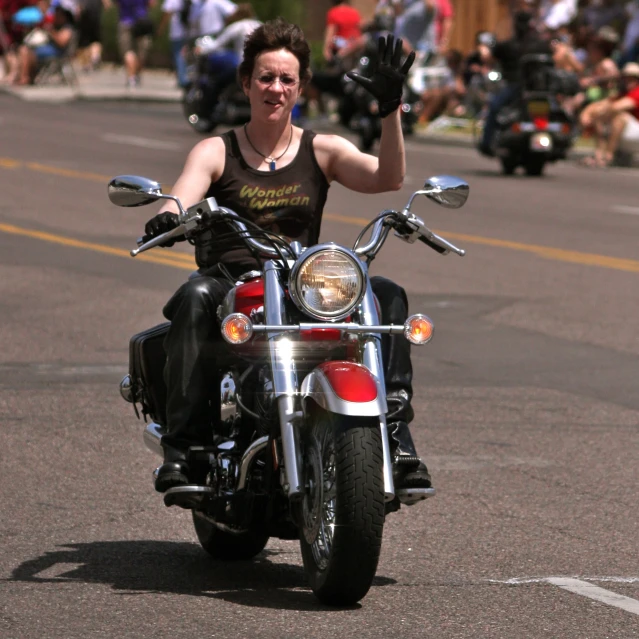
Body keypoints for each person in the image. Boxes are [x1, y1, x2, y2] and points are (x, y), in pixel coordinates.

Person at [141, 18, 433, 496]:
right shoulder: (218, 150)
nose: (275, 88)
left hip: (299, 282)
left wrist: (390, 110)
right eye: (265, 78)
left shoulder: (321, 149)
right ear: (245, 82)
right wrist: (169, 215)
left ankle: (397, 438)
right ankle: (186, 449)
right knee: (194, 296)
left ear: (301, 87)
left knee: (385, 294)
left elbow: (388, 178)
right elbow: (179, 197)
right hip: (230, 280)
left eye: (286, 79)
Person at [477, 9, 552, 156]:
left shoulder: (508, 45)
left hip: (515, 86)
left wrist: (483, 48)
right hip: (541, 89)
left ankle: (486, 143)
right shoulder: (542, 45)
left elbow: (489, 59)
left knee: (493, 107)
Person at [579, 61, 639, 167]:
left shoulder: (637, 92)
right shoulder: (622, 94)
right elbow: (600, 105)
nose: (628, 81)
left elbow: (618, 107)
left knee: (619, 117)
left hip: (635, 135)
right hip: (625, 134)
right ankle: (599, 155)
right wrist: (587, 113)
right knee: (599, 116)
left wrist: (600, 110)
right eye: (626, 77)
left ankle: (608, 155)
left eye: (632, 78)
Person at [15, 0, 76, 85]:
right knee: (24, 49)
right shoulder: (55, 26)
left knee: (26, 52)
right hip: (47, 49)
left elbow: (62, 42)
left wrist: (51, 32)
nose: (56, 16)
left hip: (58, 53)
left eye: (58, 14)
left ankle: (25, 77)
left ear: (64, 16)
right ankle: (25, 76)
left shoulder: (67, 28)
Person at [104, 0, 155, 88]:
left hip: (125, 21)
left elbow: (115, 3)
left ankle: (131, 77)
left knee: (127, 51)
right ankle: (136, 74)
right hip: (142, 21)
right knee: (141, 52)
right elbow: (152, 4)